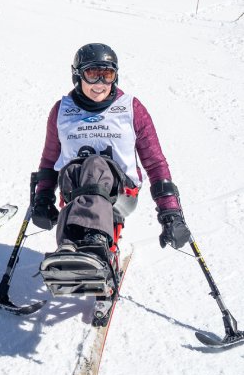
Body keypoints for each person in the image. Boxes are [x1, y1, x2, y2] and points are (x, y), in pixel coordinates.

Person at [33, 42, 191, 291]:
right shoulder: (61, 110)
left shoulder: (131, 108)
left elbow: (155, 162)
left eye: (107, 75)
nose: (100, 84)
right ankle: (69, 248)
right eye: (92, 74)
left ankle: (95, 241)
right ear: (77, 75)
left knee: (95, 164)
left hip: (120, 194)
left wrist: (170, 213)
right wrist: (42, 198)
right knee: (77, 168)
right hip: (73, 192)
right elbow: (49, 161)